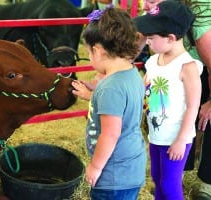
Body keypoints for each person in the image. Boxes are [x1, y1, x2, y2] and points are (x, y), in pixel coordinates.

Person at [72, 7, 147, 200]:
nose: (89, 57)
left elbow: (110, 134)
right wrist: (93, 91)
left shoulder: (109, 88)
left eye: (89, 52)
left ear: (97, 51)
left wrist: (95, 167)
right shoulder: (132, 73)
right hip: (130, 167)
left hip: (112, 174)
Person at [134, 1, 204, 199]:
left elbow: (193, 106)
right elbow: (145, 89)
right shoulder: (153, 61)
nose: (147, 41)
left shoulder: (187, 66)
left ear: (171, 38)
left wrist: (181, 140)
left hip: (175, 137)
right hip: (156, 134)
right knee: (157, 177)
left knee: (169, 183)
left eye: (151, 37)